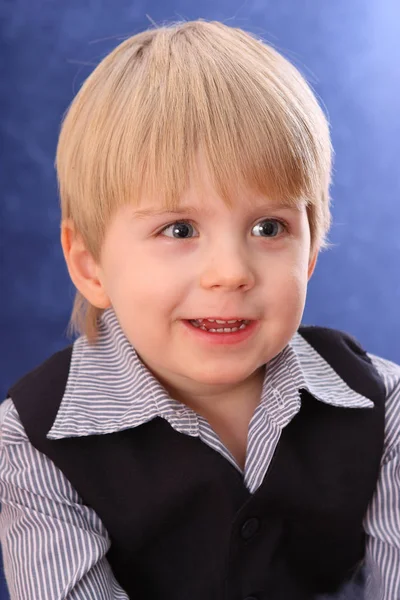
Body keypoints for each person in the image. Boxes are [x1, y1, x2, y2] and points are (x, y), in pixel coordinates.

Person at [0, 19, 399, 600]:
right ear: (90, 266)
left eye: (270, 227)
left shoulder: (383, 409)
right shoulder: (32, 443)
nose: (231, 271)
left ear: (310, 250)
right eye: (180, 229)